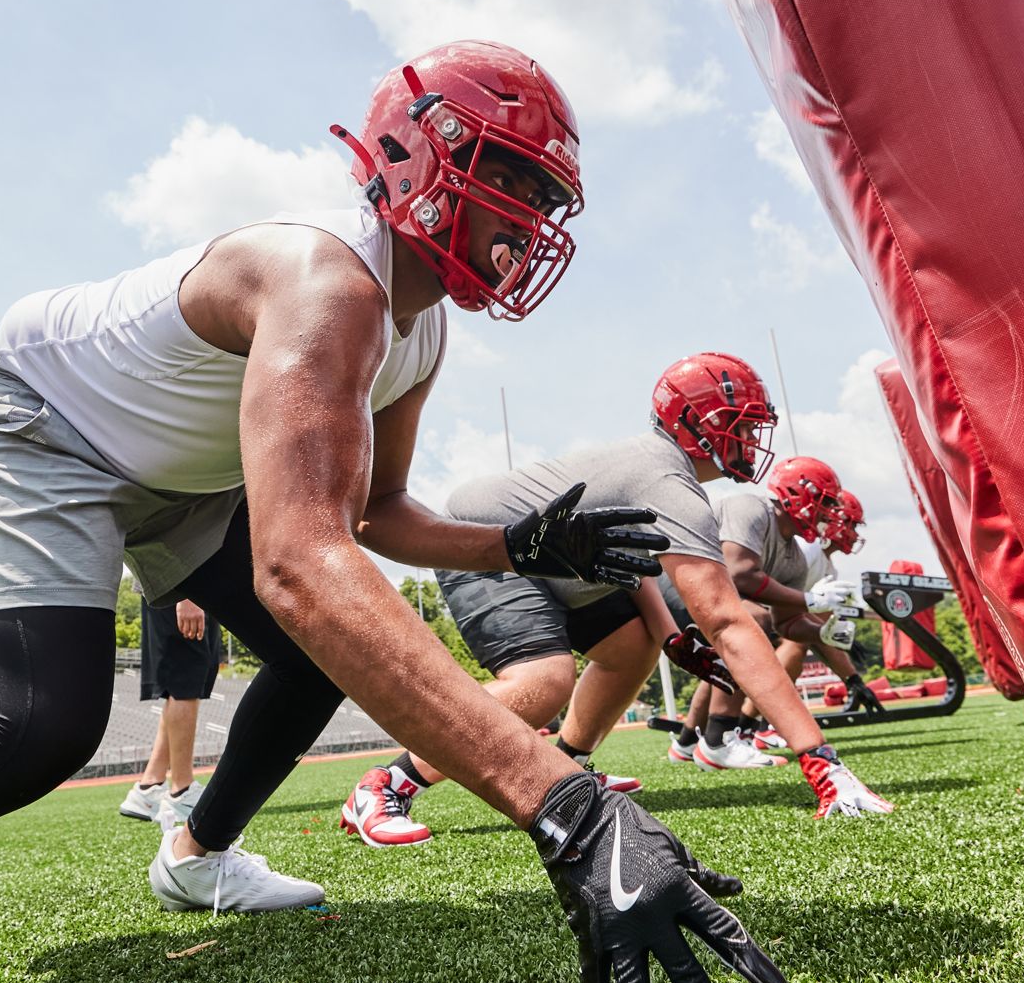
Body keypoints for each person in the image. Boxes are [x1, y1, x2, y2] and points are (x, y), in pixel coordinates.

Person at [0, 41, 784, 983]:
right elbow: (304, 558)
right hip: (43, 425)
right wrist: (562, 802)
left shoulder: (419, 329)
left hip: (183, 475)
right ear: (420, 160)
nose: (531, 220)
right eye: (514, 181)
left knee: (309, 660)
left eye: (546, 198)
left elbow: (378, 511)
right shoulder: (325, 277)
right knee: (41, 722)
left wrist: (513, 546)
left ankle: (196, 853)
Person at [343, 355, 889, 845]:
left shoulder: (660, 471)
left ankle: (568, 766)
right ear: (704, 424)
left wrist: (672, 637)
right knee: (544, 679)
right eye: (743, 424)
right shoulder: (667, 478)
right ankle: (387, 782)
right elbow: (726, 622)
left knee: (633, 647)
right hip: (486, 538)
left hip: (556, 559)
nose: (752, 437)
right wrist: (820, 761)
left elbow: (630, 559)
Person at [668, 463, 868, 761]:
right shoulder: (751, 507)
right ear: (795, 494)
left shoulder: (796, 558)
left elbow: (786, 622)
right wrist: (811, 600)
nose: (828, 514)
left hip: (706, 600)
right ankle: (720, 739)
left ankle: (689, 743)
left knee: (745, 631)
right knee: (750, 621)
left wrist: (821, 632)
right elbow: (740, 575)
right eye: (824, 503)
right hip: (670, 585)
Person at [119, 596, 221, 829]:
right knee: (185, 678)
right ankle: (181, 790)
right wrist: (185, 596)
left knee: (189, 676)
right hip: (180, 587)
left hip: (187, 587)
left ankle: (149, 787)